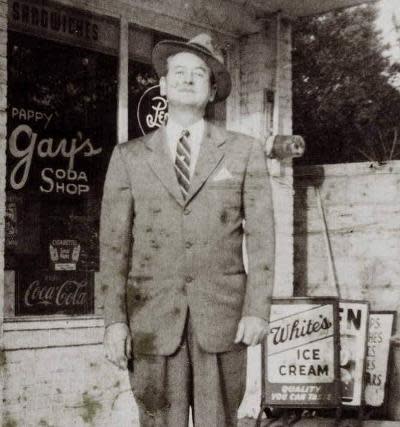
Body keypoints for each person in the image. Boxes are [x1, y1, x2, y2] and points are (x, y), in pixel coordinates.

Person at [99, 33, 275, 427]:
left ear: (212, 90)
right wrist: (114, 320)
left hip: (223, 319)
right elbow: (113, 247)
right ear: (162, 85)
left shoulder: (243, 151)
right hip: (152, 319)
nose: (187, 79)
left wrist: (257, 310)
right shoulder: (128, 158)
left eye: (199, 73)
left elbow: (263, 238)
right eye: (178, 72)